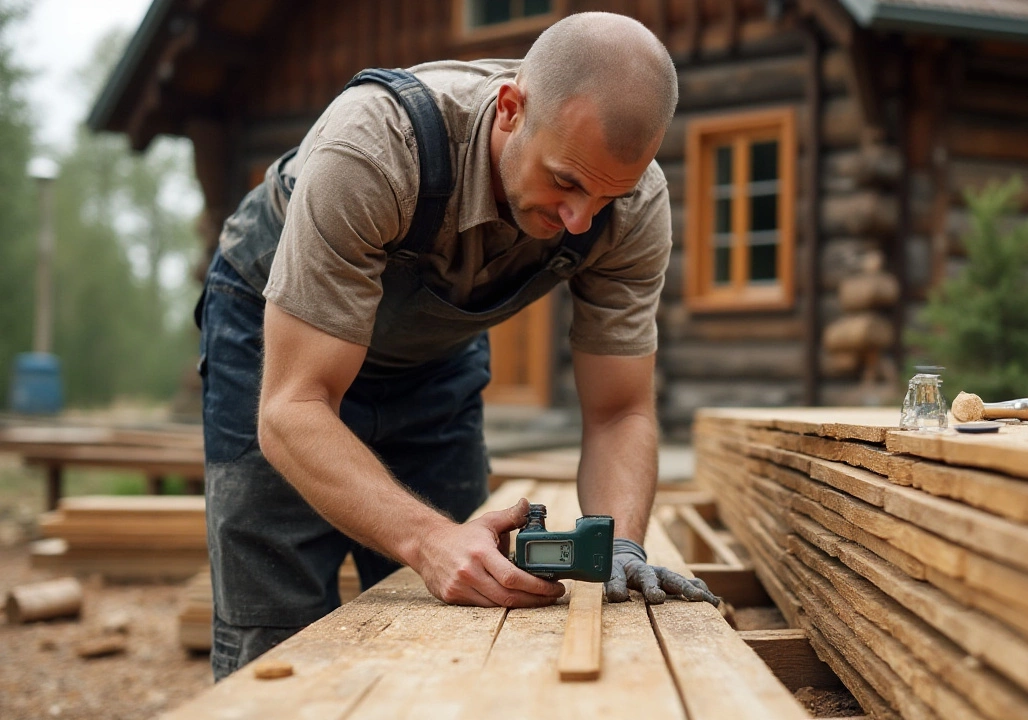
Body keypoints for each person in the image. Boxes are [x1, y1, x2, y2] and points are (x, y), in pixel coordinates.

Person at [195, 11, 717, 681]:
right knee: (275, 628)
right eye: (565, 181)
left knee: (467, 620)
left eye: (606, 196)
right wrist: (429, 539)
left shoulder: (633, 208)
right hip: (283, 346)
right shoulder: (376, 146)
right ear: (509, 109)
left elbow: (620, 411)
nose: (580, 219)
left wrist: (621, 545)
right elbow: (293, 408)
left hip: (432, 358)